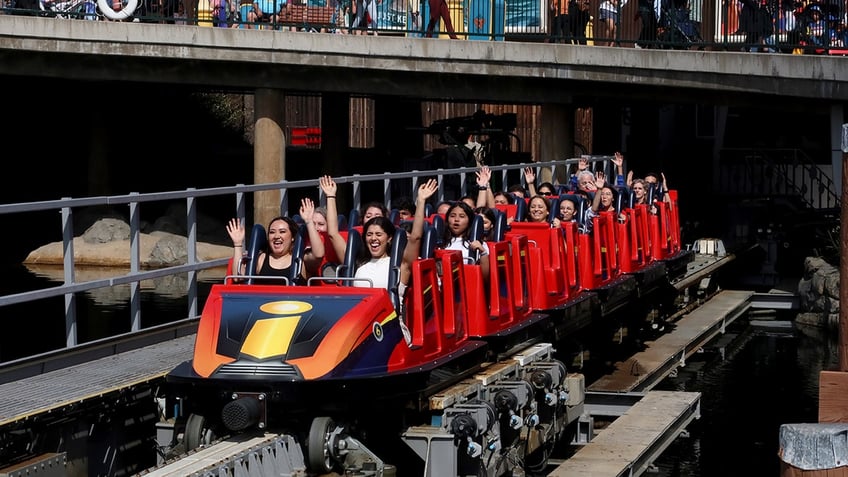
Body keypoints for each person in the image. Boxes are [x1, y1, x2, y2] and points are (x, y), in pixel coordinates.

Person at [320, 175, 438, 295]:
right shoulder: (357, 262)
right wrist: (330, 196)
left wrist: (421, 201)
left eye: (378, 234)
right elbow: (333, 234)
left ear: (389, 238)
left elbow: (415, 237)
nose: (373, 238)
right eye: (369, 234)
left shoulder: (400, 264)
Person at [225, 198, 325, 284]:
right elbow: (238, 277)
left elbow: (319, 254)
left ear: (292, 237)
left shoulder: (301, 260)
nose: (277, 236)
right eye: (272, 232)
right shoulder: (262, 258)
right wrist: (238, 244)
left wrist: (309, 222)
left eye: (282, 232)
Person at [442, 202, 490, 277]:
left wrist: (483, 252)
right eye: (452, 216)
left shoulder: (478, 243)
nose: (456, 219)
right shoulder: (441, 242)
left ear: (469, 221)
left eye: (462, 216)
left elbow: (485, 277)